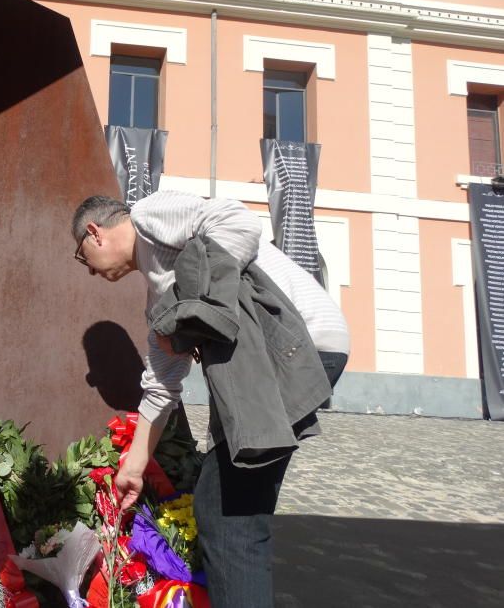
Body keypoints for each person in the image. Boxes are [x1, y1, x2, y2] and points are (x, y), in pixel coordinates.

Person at [71, 190, 349, 608]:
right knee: (229, 510)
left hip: (292, 344)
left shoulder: (148, 217)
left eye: (81, 258)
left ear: (94, 233)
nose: (89, 273)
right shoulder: (159, 300)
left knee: (228, 518)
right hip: (267, 363)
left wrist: (194, 308)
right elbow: (163, 385)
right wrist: (133, 466)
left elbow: (238, 222)